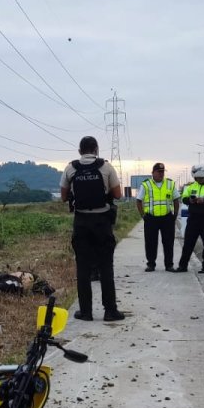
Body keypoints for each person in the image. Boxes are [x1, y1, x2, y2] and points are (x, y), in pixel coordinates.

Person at [60, 136, 125, 322]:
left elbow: (64, 197)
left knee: (83, 268)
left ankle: (86, 312)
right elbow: (118, 194)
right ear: (96, 149)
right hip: (102, 222)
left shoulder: (70, 168)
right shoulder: (106, 167)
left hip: (81, 222)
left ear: (80, 151)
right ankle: (110, 311)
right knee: (106, 267)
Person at [136, 162, 180, 272]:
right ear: (153, 173)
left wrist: (174, 215)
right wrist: (143, 216)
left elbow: (176, 200)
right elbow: (138, 201)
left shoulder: (170, 184)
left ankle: (169, 265)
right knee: (151, 242)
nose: (161, 174)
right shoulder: (146, 185)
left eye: (162, 172)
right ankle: (151, 264)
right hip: (151, 218)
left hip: (167, 218)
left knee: (169, 242)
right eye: (158, 172)